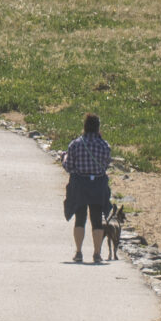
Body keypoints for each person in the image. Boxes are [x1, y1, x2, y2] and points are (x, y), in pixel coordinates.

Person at [61, 113, 114, 264]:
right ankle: (97, 254)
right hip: (98, 185)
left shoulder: (75, 144)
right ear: (98, 128)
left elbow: (68, 166)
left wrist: (63, 158)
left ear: (84, 126)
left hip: (80, 185)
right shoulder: (104, 145)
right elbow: (106, 165)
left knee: (80, 219)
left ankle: (78, 252)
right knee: (97, 220)